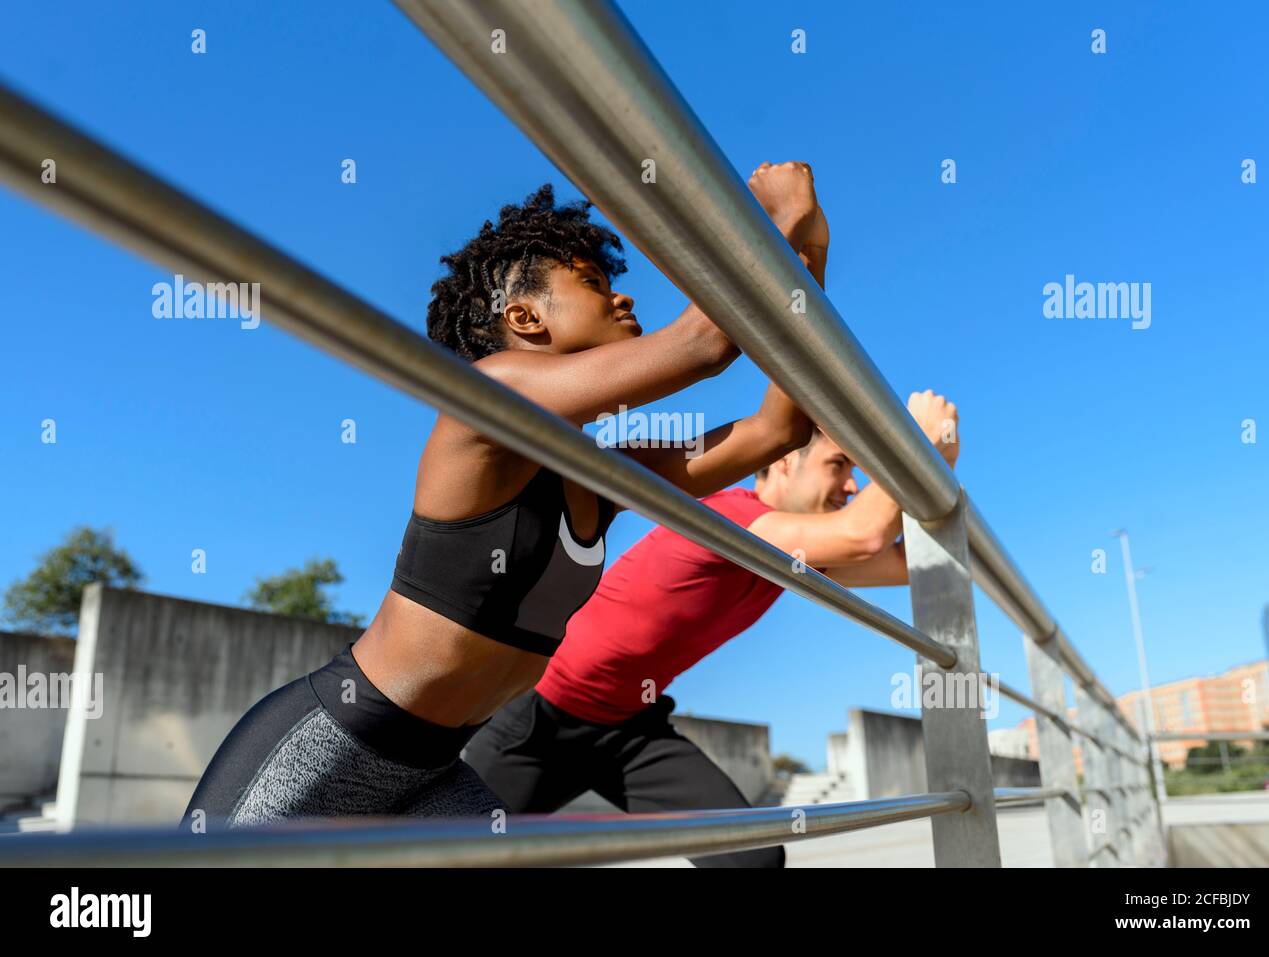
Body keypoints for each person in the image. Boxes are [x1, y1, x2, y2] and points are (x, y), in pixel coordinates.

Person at [182, 161, 827, 830]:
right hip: (329, 749)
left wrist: (808, 247)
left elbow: (778, 429)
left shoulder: (600, 475)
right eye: (594, 283)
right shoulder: (491, 397)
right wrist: (775, 224)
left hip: (437, 769)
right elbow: (703, 344)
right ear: (523, 316)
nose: (623, 299)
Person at [462, 373, 960, 865]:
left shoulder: (799, 552)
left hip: (628, 731)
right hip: (538, 720)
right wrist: (918, 445)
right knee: (451, 857)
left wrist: (939, 468)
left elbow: (900, 564)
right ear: (785, 463)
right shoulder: (737, 519)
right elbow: (865, 535)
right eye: (839, 465)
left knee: (753, 860)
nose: (852, 485)